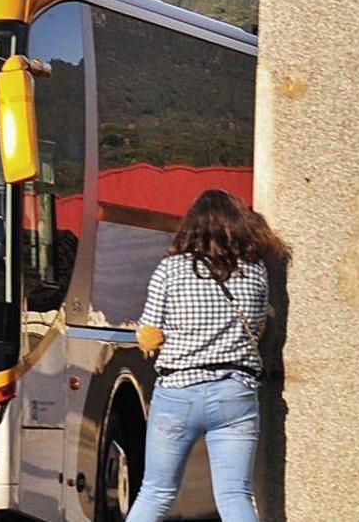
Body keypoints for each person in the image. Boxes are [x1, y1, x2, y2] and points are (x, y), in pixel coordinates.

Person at [127, 189, 288, 522]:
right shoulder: (255, 272)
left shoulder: (169, 270)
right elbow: (258, 327)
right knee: (235, 496)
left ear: (192, 226)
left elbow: (150, 334)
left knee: (156, 492)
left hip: (179, 394)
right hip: (236, 393)